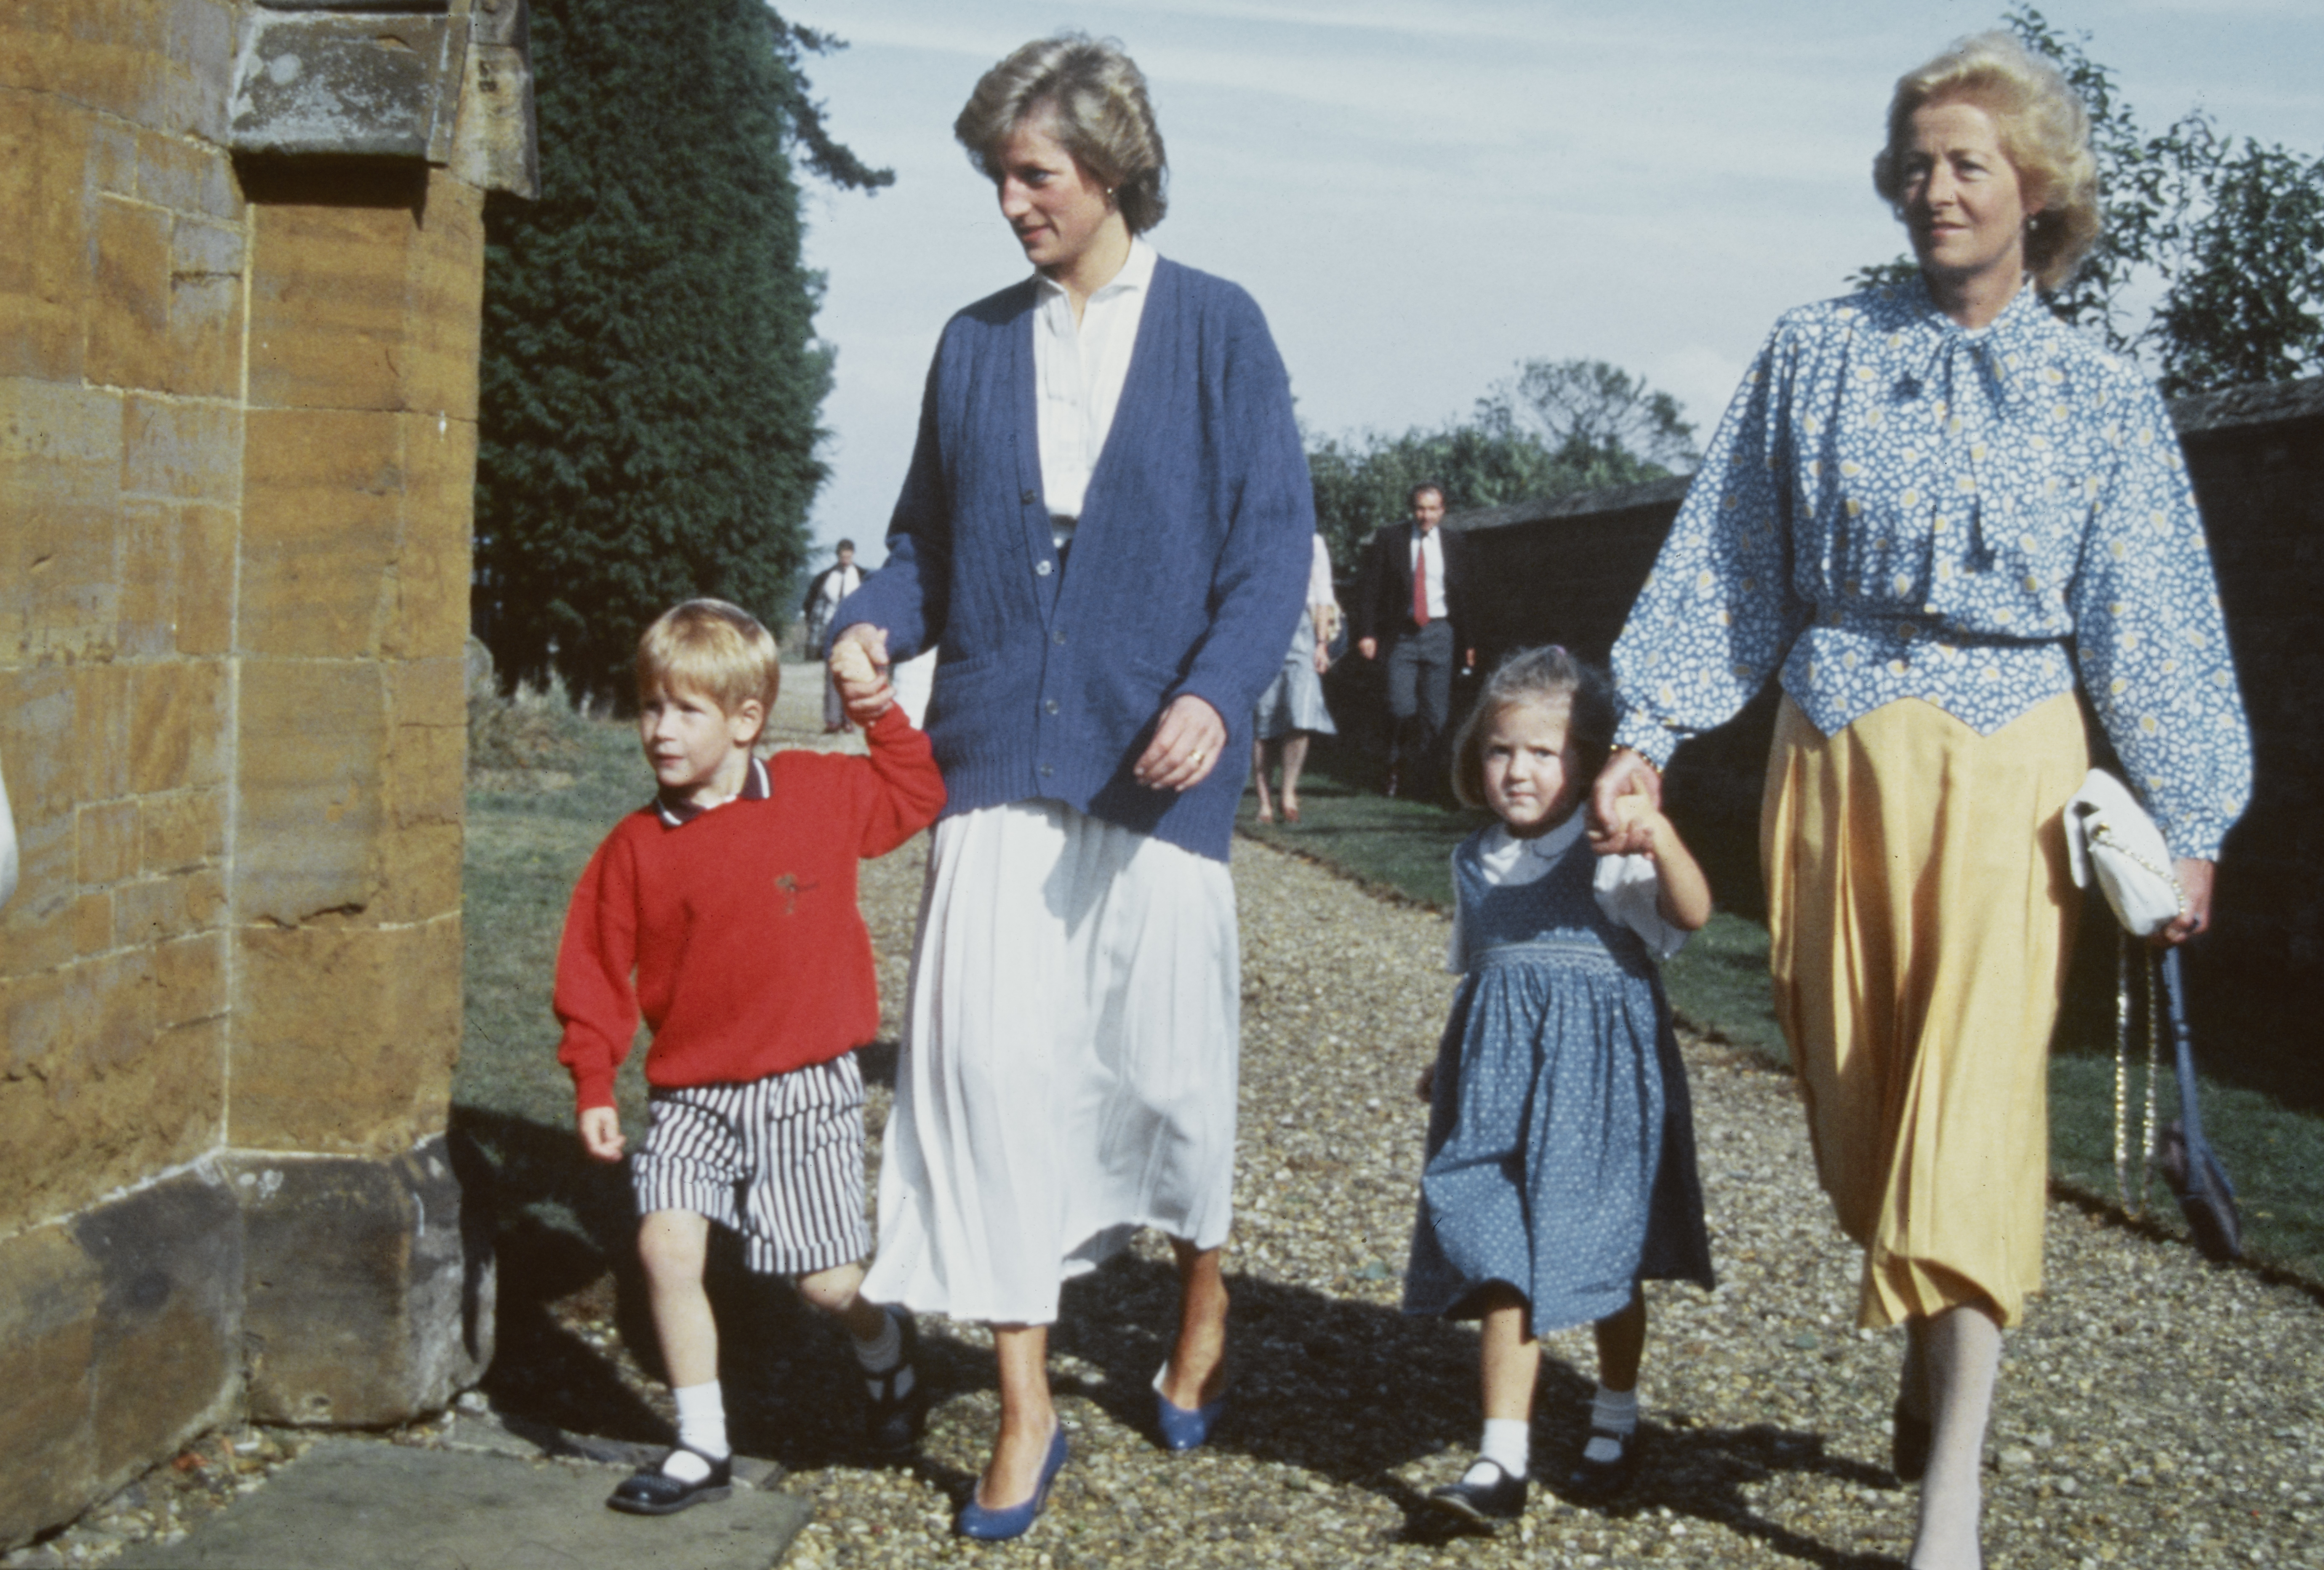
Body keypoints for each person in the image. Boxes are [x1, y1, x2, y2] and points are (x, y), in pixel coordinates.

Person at [1589, 32, 2250, 1570]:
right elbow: (1729, 556)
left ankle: (1949, 1498)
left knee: (1971, 1108)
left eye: (1968, 163)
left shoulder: (2099, 394)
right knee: (1858, 1105)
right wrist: (1651, 729)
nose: (1935, 188)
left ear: (2036, 189)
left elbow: (2151, 618)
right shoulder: (1813, 351)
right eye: (1915, 163)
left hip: (2013, 767)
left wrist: (2191, 816)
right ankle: (1926, 1337)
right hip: (1833, 755)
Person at [828, 32, 1312, 1541]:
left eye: (1032, 173)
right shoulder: (973, 345)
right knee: (981, 1078)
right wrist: (873, 622)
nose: (1009, 202)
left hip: (1157, 765)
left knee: (1164, 1078)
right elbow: (923, 542)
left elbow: (1270, 546)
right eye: (998, 176)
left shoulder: (1218, 329)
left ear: (1108, 170)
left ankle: (1200, 1292)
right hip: (994, 755)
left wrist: (1215, 694)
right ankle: (1024, 1404)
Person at [551, 600, 946, 1514]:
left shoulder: (817, 791)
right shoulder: (635, 847)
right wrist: (594, 1078)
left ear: (746, 719)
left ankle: (882, 1339)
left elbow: (916, 793)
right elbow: (595, 966)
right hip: (690, 1094)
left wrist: (877, 706)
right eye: (651, 706)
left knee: (825, 1282)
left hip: (805, 1087)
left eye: (686, 710)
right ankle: (702, 1444)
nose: (661, 729)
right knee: (664, 1247)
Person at [1403, 648, 1715, 1527]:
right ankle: (1501, 1458)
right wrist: (1446, 1060)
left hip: (1596, 1083)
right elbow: (1481, 973)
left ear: (1586, 763)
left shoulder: (1606, 853)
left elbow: (1693, 913)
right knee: (1499, 1246)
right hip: (1497, 1084)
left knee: (1603, 1249)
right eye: (1501, 750)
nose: (1519, 770)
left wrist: (1660, 836)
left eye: (1543, 752)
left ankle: (1616, 1410)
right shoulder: (1475, 860)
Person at [1351, 482, 1476, 797]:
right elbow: (1371, 589)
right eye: (1421, 508)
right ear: (1412, 509)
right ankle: (1393, 767)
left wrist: (1469, 643)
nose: (1426, 515)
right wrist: (1367, 632)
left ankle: (1425, 778)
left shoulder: (1455, 542)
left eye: (1433, 509)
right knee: (1400, 707)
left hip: (1441, 633)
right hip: (1402, 635)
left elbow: (1465, 595)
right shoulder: (1390, 539)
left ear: (1443, 511)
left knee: (1437, 716)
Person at [1250, 532, 1339, 824]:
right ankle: (1264, 802)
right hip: (1263, 627)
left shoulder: (1313, 541)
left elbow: (1323, 593)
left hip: (1303, 632)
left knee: (1302, 715)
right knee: (1263, 720)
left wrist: (1322, 644)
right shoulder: (1259, 533)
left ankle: (1288, 793)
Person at [803, 540, 866, 732]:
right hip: (829, 628)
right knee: (832, 674)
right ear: (838, 556)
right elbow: (810, 603)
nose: (846, 560)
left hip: (853, 628)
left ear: (853, 555)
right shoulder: (825, 577)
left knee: (852, 672)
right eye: (843, 557)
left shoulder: (863, 576)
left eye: (849, 556)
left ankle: (849, 720)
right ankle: (832, 721)